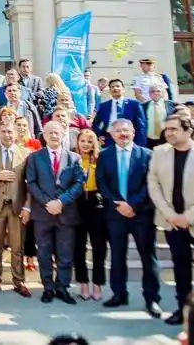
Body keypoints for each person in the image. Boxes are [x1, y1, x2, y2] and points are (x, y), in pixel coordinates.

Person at [147, 115, 194, 326]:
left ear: (188, 130)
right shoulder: (159, 152)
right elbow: (153, 184)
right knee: (181, 268)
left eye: (174, 129)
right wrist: (170, 215)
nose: (169, 133)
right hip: (172, 223)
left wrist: (188, 218)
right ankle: (184, 310)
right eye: (166, 129)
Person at [94, 120, 161, 315]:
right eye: (118, 131)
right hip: (115, 214)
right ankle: (119, 294)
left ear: (133, 132)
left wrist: (133, 205)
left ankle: (152, 299)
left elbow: (151, 183)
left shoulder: (147, 154)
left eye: (126, 130)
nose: (122, 134)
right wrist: (118, 203)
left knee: (148, 257)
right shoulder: (105, 156)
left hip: (142, 214)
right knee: (117, 256)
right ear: (112, 134)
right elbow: (101, 182)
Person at [25, 120, 85, 305]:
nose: (53, 136)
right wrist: (47, 203)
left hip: (66, 212)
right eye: (49, 132)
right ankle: (48, 287)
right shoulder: (35, 157)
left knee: (65, 253)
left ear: (63, 134)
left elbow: (78, 183)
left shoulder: (74, 158)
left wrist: (60, 201)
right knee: (44, 252)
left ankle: (63, 287)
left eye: (57, 133)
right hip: (42, 214)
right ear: (43, 136)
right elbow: (31, 183)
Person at [0, 122, 31, 298]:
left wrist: (27, 206)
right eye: (3, 132)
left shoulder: (26, 154)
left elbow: (30, 184)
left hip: (17, 207)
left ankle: (19, 281)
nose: (7, 135)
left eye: (10, 132)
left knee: (17, 246)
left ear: (17, 133)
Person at [71, 129, 108, 303]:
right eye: (82, 141)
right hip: (77, 204)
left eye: (89, 141)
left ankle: (98, 284)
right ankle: (83, 283)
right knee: (79, 248)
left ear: (95, 143)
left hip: (96, 205)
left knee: (99, 248)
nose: (85, 144)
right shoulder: (73, 159)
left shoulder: (100, 161)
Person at [92, 79, 147, 148]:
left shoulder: (134, 104)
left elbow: (141, 126)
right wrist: (99, 135)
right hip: (109, 140)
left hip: (128, 139)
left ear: (123, 89)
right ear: (110, 90)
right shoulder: (103, 106)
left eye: (118, 86)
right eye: (112, 87)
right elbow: (95, 124)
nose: (115, 88)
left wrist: (140, 144)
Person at [143, 83, 176, 149]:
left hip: (166, 138)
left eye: (158, 91)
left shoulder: (172, 105)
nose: (155, 93)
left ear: (162, 93)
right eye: (152, 91)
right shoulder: (143, 106)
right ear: (149, 94)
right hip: (149, 139)